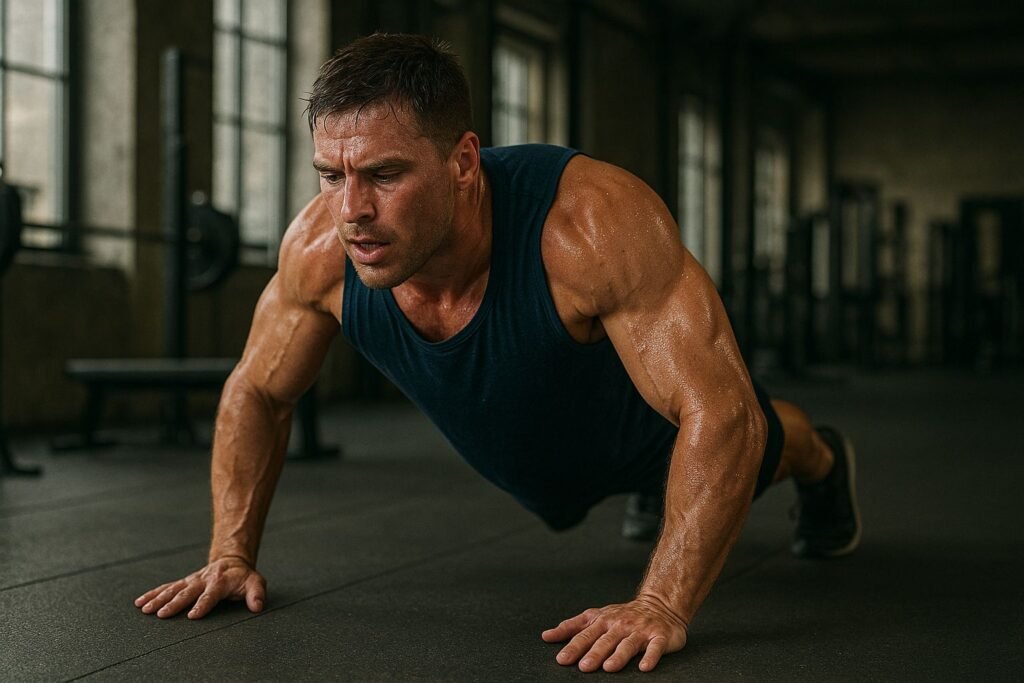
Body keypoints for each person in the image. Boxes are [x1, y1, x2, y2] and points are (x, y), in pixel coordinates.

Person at [134, 33, 860, 673]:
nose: (351, 208)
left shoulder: (590, 224)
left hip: (644, 419)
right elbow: (258, 389)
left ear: (463, 161)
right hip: (534, 446)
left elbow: (722, 411)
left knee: (764, 435)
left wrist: (661, 604)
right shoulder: (321, 252)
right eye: (331, 174)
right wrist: (230, 552)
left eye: (384, 175)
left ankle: (825, 459)